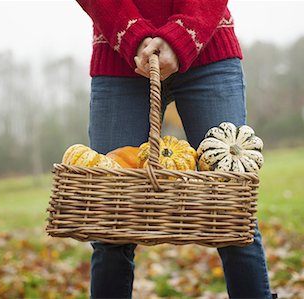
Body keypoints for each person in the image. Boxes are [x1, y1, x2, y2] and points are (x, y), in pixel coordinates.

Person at [76, 1, 273, 298]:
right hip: (118, 55)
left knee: (232, 208)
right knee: (111, 222)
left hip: (208, 46)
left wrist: (181, 35)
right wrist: (133, 35)